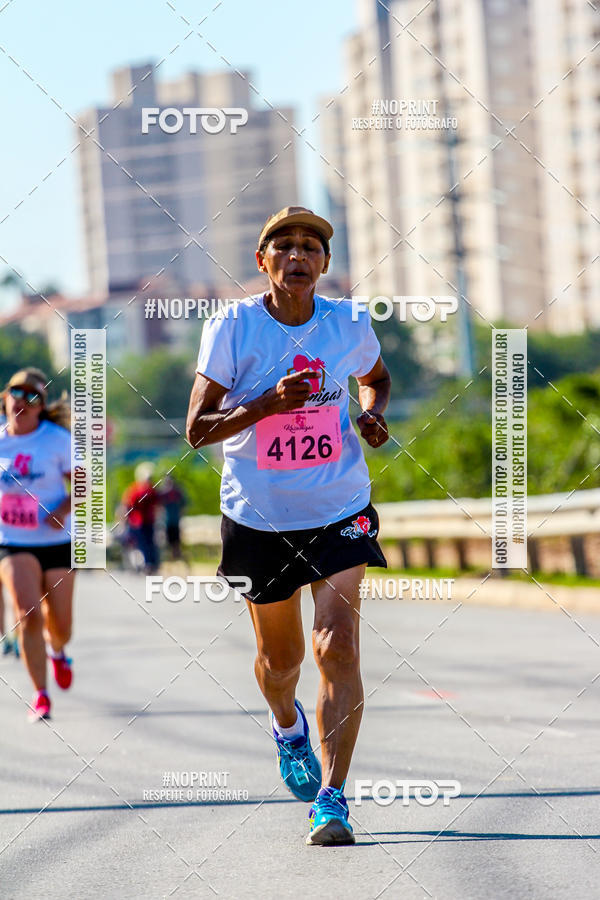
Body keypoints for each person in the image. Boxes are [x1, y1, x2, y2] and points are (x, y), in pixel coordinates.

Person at [186, 206, 391, 845]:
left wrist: (370, 413)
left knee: (339, 647)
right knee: (282, 661)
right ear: (263, 261)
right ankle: (286, 725)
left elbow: (377, 379)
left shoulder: (348, 324)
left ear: (324, 265)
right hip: (257, 516)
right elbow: (197, 431)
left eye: (310, 247)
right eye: (284, 246)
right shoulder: (234, 328)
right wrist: (268, 403)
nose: (298, 255)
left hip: (338, 507)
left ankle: (332, 799)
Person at [0, 368, 74, 720]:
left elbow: (85, 483)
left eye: (33, 397)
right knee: (27, 615)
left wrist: (63, 508)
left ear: (42, 406)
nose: (23, 401)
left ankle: (57, 651)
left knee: (60, 626)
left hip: (56, 539)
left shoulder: (57, 439)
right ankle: (40, 694)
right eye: (18, 392)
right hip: (13, 540)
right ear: (5, 396)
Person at [122, 463, 161, 574]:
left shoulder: (150, 490)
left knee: (147, 544)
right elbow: (128, 505)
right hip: (138, 522)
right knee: (142, 544)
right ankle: (146, 564)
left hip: (147, 521)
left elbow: (157, 505)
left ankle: (149, 564)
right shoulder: (136, 490)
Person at [158, 475, 186, 561]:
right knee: (169, 543)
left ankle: (175, 558)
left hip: (173, 521)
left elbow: (183, 505)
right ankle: (172, 559)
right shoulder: (164, 493)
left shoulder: (176, 492)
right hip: (167, 521)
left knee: (175, 543)